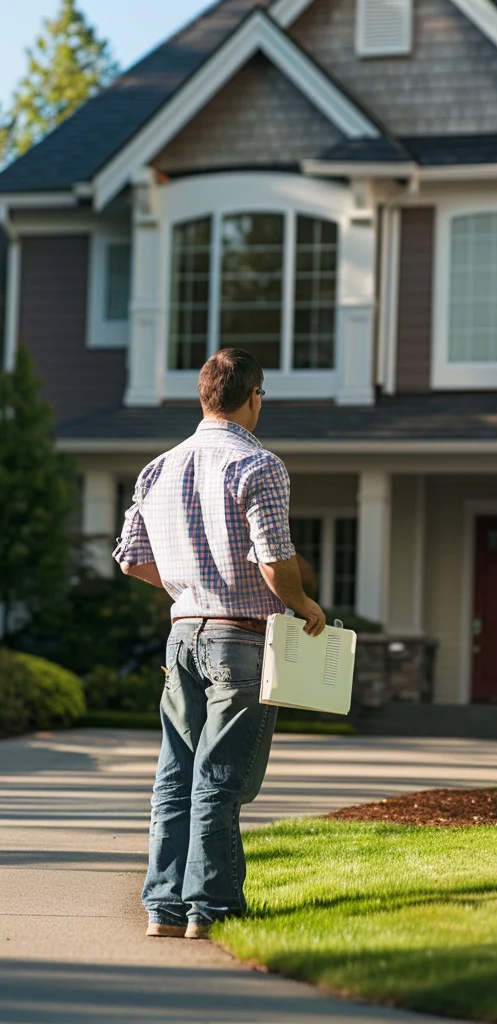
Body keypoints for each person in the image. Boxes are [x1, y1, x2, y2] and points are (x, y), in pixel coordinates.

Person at [113, 348, 326, 940]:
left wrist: (189, 585)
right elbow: (272, 558)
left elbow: (132, 559)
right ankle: (212, 909)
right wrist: (304, 604)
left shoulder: (158, 467)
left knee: (175, 774)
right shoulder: (259, 465)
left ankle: (162, 907)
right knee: (220, 778)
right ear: (254, 396)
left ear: (204, 396)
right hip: (242, 639)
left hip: (183, 636)